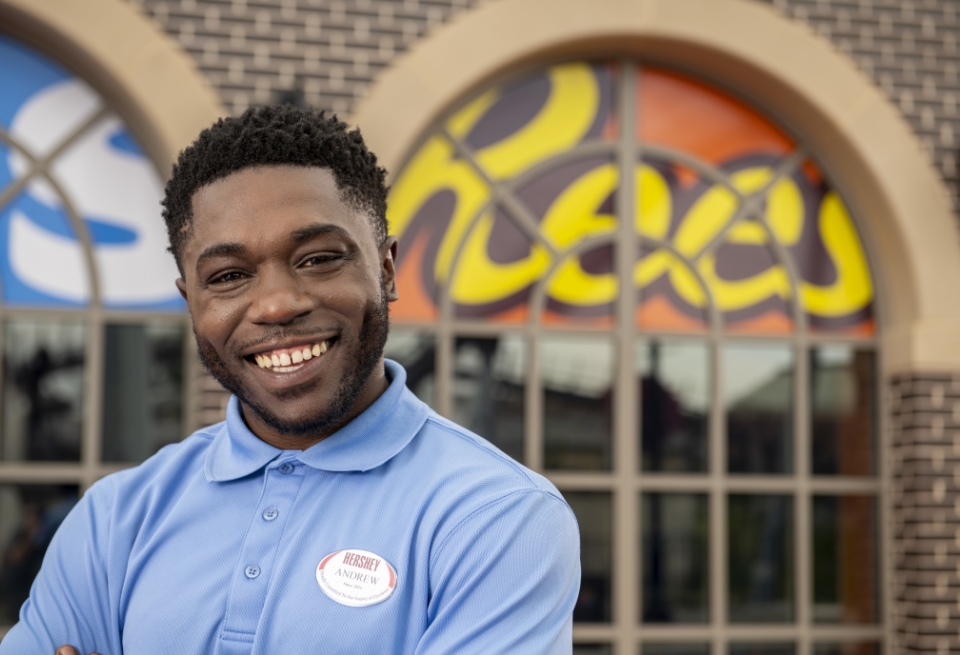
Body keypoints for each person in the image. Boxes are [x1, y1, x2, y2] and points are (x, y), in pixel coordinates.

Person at [0, 106, 580, 655]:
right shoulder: (114, 520)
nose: (277, 305)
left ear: (385, 269)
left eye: (317, 258)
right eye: (228, 275)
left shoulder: (498, 517)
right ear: (191, 301)